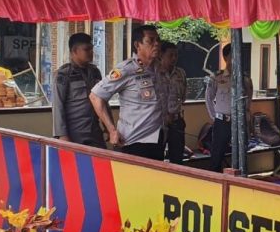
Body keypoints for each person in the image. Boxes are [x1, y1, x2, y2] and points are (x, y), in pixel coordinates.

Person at [89, 25, 164, 160]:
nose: (156, 44)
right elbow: (95, 96)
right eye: (151, 40)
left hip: (156, 139)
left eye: (158, 40)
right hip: (133, 142)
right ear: (137, 45)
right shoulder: (126, 69)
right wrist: (112, 130)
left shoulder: (159, 68)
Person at [205, 43, 253, 172]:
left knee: (241, 157)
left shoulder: (245, 79)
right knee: (217, 156)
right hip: (222, 122)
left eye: (239, 55)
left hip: (239, 123)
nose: (237, 58)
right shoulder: (216, 77)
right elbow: (209, 98)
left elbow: (248, 100)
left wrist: (247, 119)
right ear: (226, 58)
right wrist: (215, 117)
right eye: (233, 55)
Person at [52, 33, 105, 148]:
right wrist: (62, 135)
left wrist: (108, 127)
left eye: (91, 49)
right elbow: (58, 105)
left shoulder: (95, 72)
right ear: (74, 51)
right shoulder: (64, 74)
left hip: (95, 131)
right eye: (86, 49)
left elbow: (102, 100)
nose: (91, 52)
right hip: (74, 133)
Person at [159, 41, 187, 164]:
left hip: (176, 121)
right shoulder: (155, 73)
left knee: (177, 158)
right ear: (161, 55)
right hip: (158, 122)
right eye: (170, 55)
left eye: (176, 55)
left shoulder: (181, 73)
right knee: (157, 157)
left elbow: (183, 96)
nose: (174, 58)